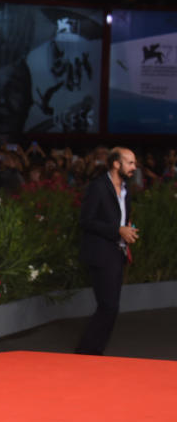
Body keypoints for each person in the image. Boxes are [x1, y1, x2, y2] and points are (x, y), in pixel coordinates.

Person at [76, 147, 138, 355]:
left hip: (117, 253)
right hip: (100, 253)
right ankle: (86, 352)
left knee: (109, 307)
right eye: (129, 163)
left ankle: (94, 353)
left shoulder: (127, 189)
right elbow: (86, 221)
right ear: (116, 164)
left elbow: (120, 218)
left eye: (134, 163)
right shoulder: (98, 187)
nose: (134, 167)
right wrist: (117, 230)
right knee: (108, 306)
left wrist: (127, 228)